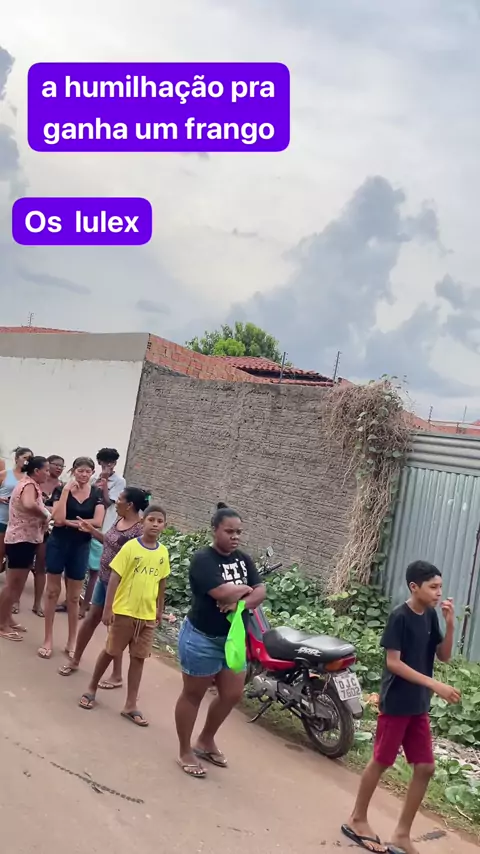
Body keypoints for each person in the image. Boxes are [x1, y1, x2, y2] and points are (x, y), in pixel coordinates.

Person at [342, 561, 461, 854]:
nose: (438, 593)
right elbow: (393, 663)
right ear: (414, 587)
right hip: (396, 703)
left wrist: (449, 624)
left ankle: (402, 834)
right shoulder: (400, 617)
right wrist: (434, 685)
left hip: (418, 705)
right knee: (381, 760)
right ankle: (357, 818)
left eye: (440, 587)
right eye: (433, 587)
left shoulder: (430, 615)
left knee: (426, 767)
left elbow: (444, 656)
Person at [175, 502, 266, 778]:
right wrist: (244, 589)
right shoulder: (204, 560)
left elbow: (261, 592)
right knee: (193, 695)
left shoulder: (243, 559)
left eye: (239, 532)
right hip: (202, 638)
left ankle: (205, 740)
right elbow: (221, 593)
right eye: (229, 531)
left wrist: (241, 601)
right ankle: (185, 751)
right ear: (215, 530)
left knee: (232, 694)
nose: (235, 537)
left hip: (232, 640)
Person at [78, 503, 170, 726]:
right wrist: (108, 608)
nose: (155, 524)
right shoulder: (130, 548)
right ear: (142, 522)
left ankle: (130, 705)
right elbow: (115, 578)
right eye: (151, 520)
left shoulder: (163, 552)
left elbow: (161, 582)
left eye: (159, 521)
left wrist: (159, 609)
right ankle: (91, 688)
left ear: (165, 526)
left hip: (146, 616)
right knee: (111, 651)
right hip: (124, 612)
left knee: (138, 659)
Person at [58, 486, 149, 687]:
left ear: (130, 505)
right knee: (92, 620)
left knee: (116, 628)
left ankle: (116, 675)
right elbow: (109, 541)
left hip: (121, 586)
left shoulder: (140, 530)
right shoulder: (119, 520)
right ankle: (75, 660)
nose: (116, 502)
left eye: (120, 499)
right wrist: (92, 531)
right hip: (104, 579)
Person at [40, 457, 105, 660]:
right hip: (58, 544)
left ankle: (71, 640)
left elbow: (98, 522)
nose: (84, 475)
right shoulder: (61, 490)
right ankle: (48, 639)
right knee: (52, 592)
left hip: (80, 547)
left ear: (92, 473)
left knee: (74, 597)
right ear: (73, 471)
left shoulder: (96, 493)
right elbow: (57, 518)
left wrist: (69, 523)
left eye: (88, 471)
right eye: (80, 471)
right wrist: (67, 491)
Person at [0, 457, 50, 641]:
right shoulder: (28, 485)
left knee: (18, 584)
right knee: (13, 584)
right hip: (20, 540)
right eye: (46, 470)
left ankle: (7, 618)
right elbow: (28, 504)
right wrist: (45, 514)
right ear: (36, 471)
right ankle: (1, 623)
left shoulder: (29, 483)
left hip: (26, 539)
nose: (48, 473)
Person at [16, 454, 65, 618]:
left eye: (62, 466)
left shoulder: (62, 487)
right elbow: (28, 503)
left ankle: (37, 604)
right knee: (23, 566)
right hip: (28, 528)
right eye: (55, 464)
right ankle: (15, 600)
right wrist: (46, 511)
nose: (58, 468)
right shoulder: (34, 483)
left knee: (41, 567)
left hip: (47, 530)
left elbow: (60, 510)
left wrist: (49, 512)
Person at [79, 448, 126, 619]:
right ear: (99, 462)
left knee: (94, 570)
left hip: (104, 529)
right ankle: (74, 600)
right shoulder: (93, 479)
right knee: (80, 567)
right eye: (105, 462)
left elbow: (107, 502)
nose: (108, 466)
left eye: (112, 463)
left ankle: (86, 605)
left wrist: (105, 484)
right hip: (88, 525)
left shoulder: (119, 482)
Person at [0, 448, 33, 580]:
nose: (27, 461)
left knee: (12, 556)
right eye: (25, 458)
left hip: (19, 522)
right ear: (16, 458)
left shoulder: (29, 478)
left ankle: (10, 586)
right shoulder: (4, 474)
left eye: (30, 459)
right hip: (2, 518)